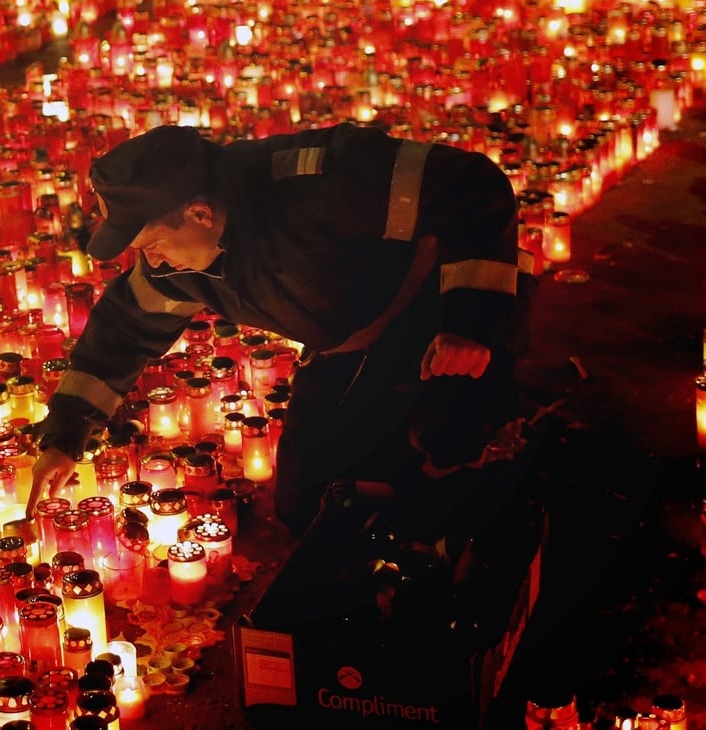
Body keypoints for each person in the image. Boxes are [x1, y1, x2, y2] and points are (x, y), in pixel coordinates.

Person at [27, 121, 534, 539]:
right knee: (305, 504)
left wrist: (471, 323)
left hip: (433, 316)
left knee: (447, 454)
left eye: (153, 243)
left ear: (199, 213)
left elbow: (472, 186)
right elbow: (121, 329)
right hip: (344, 343)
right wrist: (65, 437)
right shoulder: (177, 260)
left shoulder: (322, 179)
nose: (151, 261)